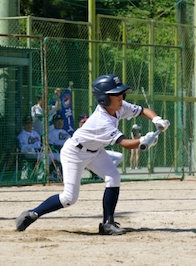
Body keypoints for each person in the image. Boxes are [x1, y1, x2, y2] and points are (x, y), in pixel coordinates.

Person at [15, 74, 170, 235]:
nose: (121, 97)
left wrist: (157, 119)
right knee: (69, 198)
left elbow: (143, 111)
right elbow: (125, 144)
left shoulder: (119, 106)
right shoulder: (102, 121)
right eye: (117, 94)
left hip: (95, 152)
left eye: (121, 93)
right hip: (75, 153)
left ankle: (107, 223)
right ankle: (33, 213)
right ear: (104, 99)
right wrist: (144, 140)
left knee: (113, 177)